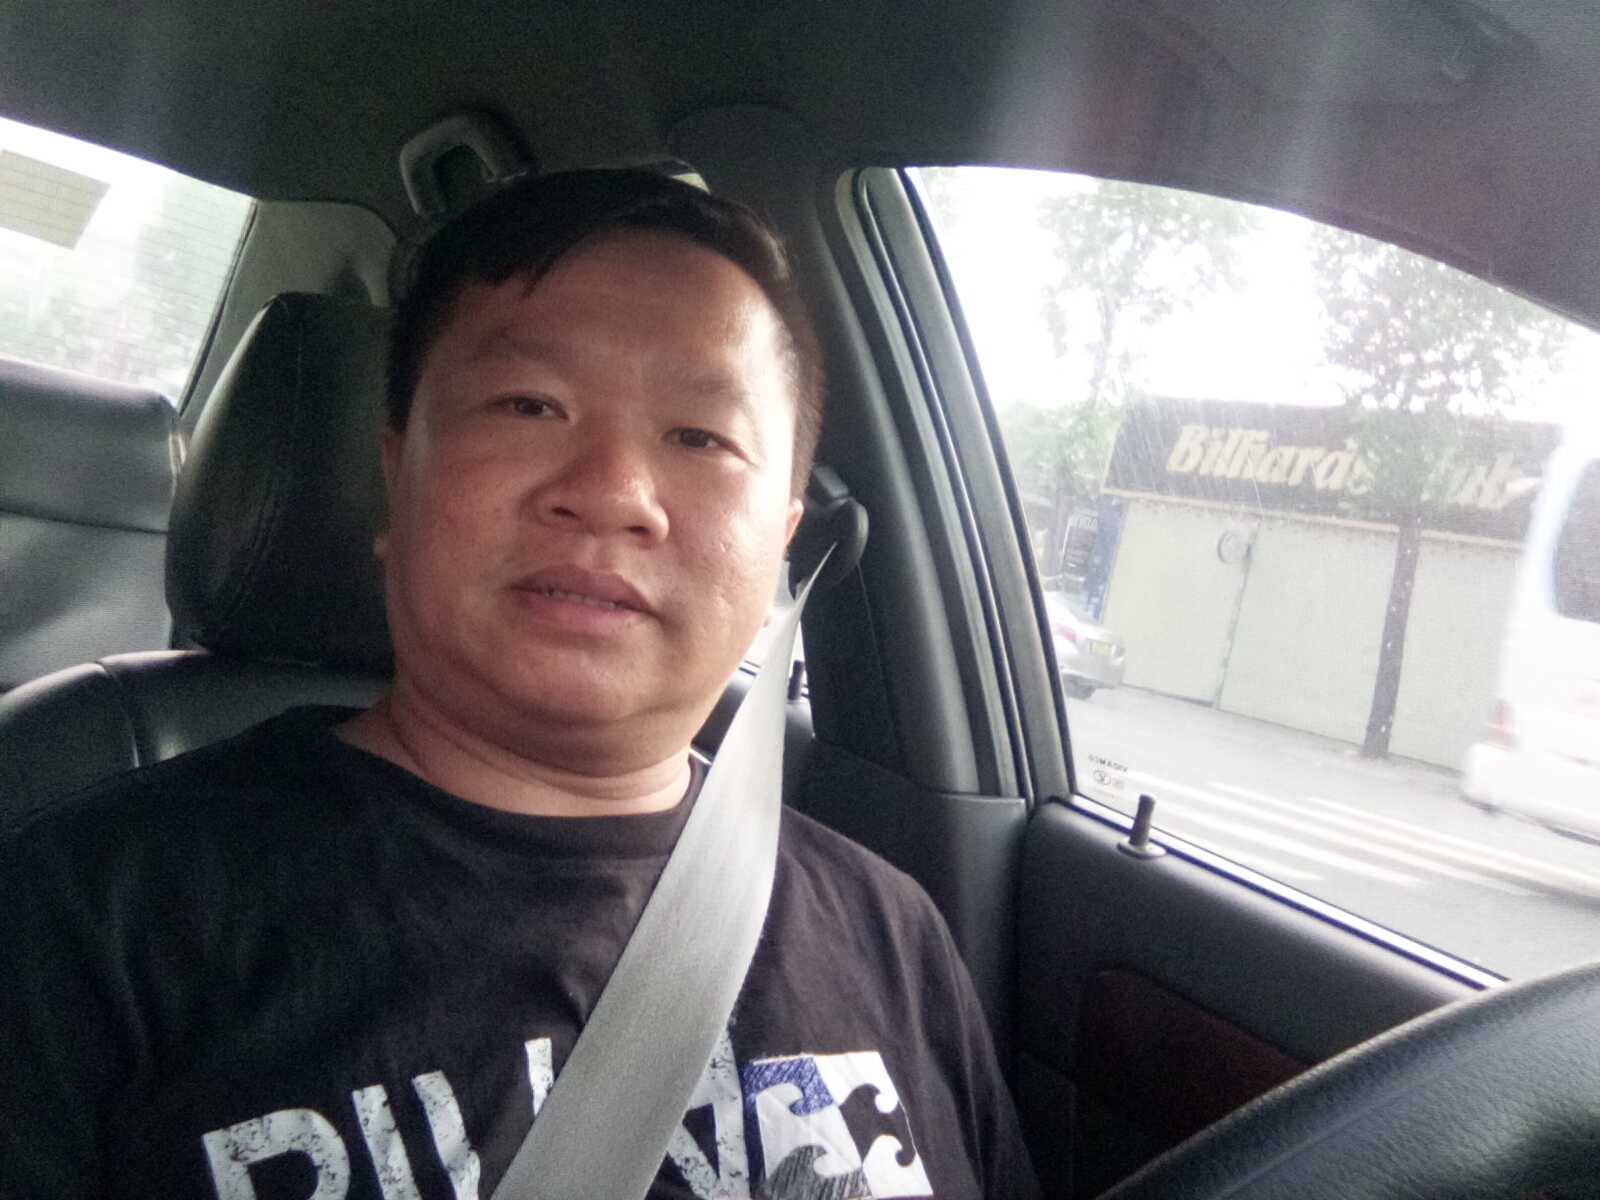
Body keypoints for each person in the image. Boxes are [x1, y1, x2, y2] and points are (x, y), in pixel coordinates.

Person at [0, 170, 1039, 1199]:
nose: (613, 494)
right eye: (530, 404)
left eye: (701, 437)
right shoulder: (84, 927)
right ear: (395, 478)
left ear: (781, 540)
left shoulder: (892, 935)